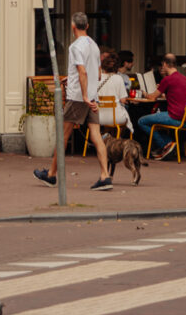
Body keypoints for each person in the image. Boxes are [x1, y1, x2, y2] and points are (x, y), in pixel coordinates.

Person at [33, 11, 112, 191]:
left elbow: (82, 71)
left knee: (63, 135)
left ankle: (52, 175)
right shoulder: (94, 45)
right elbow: (97, 74)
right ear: (88, 26)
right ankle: (105, 176)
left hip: (78, 97)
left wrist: (82, 94)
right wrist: (75, 80)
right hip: (93, 96)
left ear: (73, 26)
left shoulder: (75, 47)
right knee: (96, 135)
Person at [136, 52, 186, 159]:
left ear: (165, 64)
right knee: (154, 121)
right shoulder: (184, 78)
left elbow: (152, 97)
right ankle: (167, 145)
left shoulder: (167, 79)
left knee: (142, 121)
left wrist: (144, 93)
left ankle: (166, 144)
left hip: (175, 117)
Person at [96, 50, 132, 131]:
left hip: (98, 117)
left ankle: (106, 137)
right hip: (115, 117)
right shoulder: (118, 78)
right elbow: (123, 100)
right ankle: (116, 141)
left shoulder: (97, 77)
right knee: (125, 121)